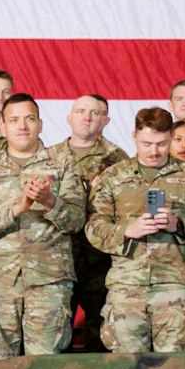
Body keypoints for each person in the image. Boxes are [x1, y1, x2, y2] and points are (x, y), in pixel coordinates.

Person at [0, 93, 88, 358]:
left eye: (30, 119)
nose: (22, 126)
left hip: (49, 281)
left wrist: (50, 201)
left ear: (40, 124)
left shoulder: (63, 164)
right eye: (14, 120)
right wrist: (17, 208)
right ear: (3, 126)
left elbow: (76, 221)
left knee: (43, 368)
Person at [87, 107, 185, 352]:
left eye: (161, 144)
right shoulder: (112, 177)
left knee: (174, 367)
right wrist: (127, 230)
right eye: (146, 143)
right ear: (134, 136)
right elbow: (94, 227)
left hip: (175, 285)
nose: (154, 151)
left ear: (171, 137)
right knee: (127, 367)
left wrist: (178, 225)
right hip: (126, 285)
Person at [56, 94, 127, 346]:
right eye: (81, 111)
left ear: (104, 120)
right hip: (60, 255)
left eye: (94, 113)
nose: (87, 117)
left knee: (103, 331)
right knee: (57, 330)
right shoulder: (49, 157)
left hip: (100, 257)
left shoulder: (117, 159)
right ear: (69, 118)